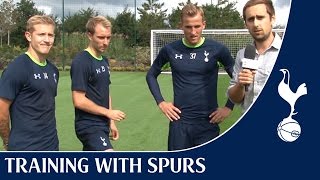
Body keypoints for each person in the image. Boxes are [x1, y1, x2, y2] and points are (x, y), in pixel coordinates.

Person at [146, 4, 235, 151]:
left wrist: (228, 107)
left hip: (208, 123)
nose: (193, 32)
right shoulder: (170, 50)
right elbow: (151, 75)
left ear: (203, 25)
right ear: (181, 26)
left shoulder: (218, 49)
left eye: (197, 26)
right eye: (188, 27)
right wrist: (161, 102)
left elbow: (237, 79)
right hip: (179, 124)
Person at [0, 15, 59, 151]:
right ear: (28, 36)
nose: (47, 39)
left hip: (51, 146)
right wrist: (8, 141)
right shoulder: (17, 68)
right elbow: (1, 111)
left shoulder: (53, 70)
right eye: (41, 34)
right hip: (25, 149)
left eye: (50, 35)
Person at [70, 16, 126, 151]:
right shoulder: (81, 61)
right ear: (89, 35)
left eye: (108, 37)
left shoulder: (104, 60)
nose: (105, 42)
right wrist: (108, 113)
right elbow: (78, 100)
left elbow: (106, 92)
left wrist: (111, 121)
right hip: (88, 125)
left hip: (102, 124)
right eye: (101, 37)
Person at [227, 0, 282, 113]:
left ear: (272, 19)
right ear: (246, 23)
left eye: (260, 17)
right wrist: (240, 85)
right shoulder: (242, 54)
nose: (256, 24)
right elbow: (235, 98)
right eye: (251, 19)